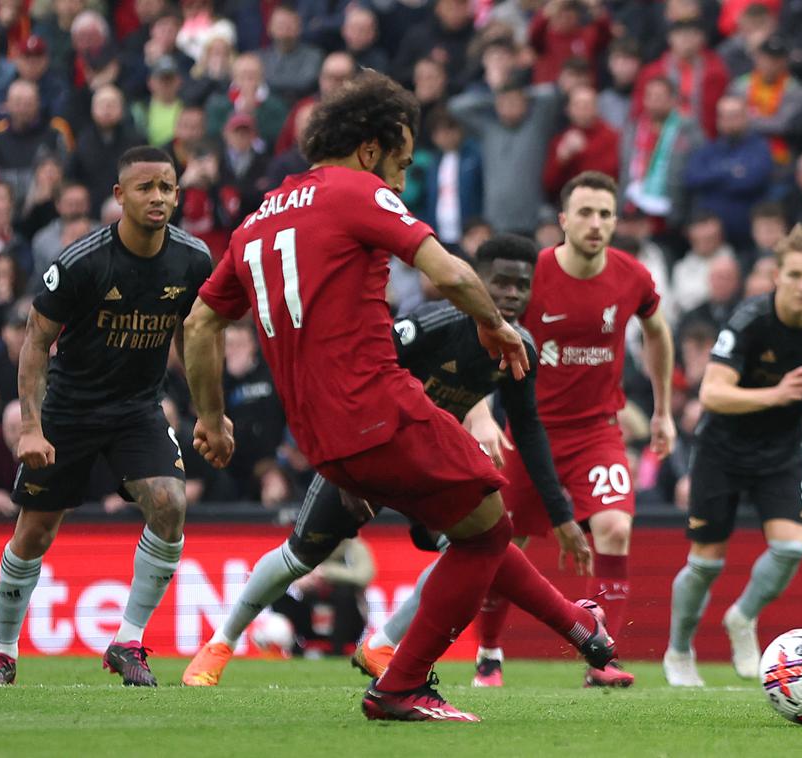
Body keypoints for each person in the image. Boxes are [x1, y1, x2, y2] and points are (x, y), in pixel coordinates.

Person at [181, 72, 615, 722]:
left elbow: (199, 323)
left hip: (321, 440)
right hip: (378, 405)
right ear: (368, 149)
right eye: (400, 163)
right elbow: (451, 272)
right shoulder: (358, 193)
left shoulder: (256, 221)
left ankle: (578, 629)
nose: (400, 182)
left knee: (476, 527)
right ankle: (399, 678)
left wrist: (211, 419)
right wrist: (496, 327)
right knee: (489, 529)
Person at [181, 233, 593, 686]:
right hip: (368, 451)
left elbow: (529, 430)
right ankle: (221, 642)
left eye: (522, 285)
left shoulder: (522, 348)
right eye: (502, 283)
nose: (512, 294)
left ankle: (383, 644)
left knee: (475, 549)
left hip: (430, 464)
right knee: (301, 555)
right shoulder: (431, 325)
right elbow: (356, 379)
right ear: (477, 281)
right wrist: (347, 474)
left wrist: (561, 515)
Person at [0, 146, 216, 687]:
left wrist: (210, 414)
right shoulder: (81, 262)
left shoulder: (194, 260)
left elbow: (198, 334)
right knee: (34, 534)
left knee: (171, 504)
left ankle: (127, 643)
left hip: (137, 410)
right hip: (70, 409)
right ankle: (2, 652)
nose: (158, 197)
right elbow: (35, 342)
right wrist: (31, 427)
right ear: (119, 195)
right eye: (146, 187)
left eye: (167, 188)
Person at [455, 170, 675, 688]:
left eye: (605, 214)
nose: (596, 223)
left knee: (616, 528)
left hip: (598, 431)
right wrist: (481, 411)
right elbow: (482, 337)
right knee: (505, 544)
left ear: (616, 220)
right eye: (585, 213)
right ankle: (488, 654)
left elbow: (658, 332)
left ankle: (602, 659)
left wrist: (663, 410)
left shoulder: (632, 276)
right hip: (531, 434)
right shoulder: (532, 277)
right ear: (563, 220)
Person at [663, 225, 802, 687]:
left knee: (790, 546)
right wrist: (778, 393)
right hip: (722, 448)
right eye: (796, 275)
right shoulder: (749, 320)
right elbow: (713, 394)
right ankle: (679, 652)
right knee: (706, 563)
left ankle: (742, 617)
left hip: (781, 449)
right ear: (777, 276)